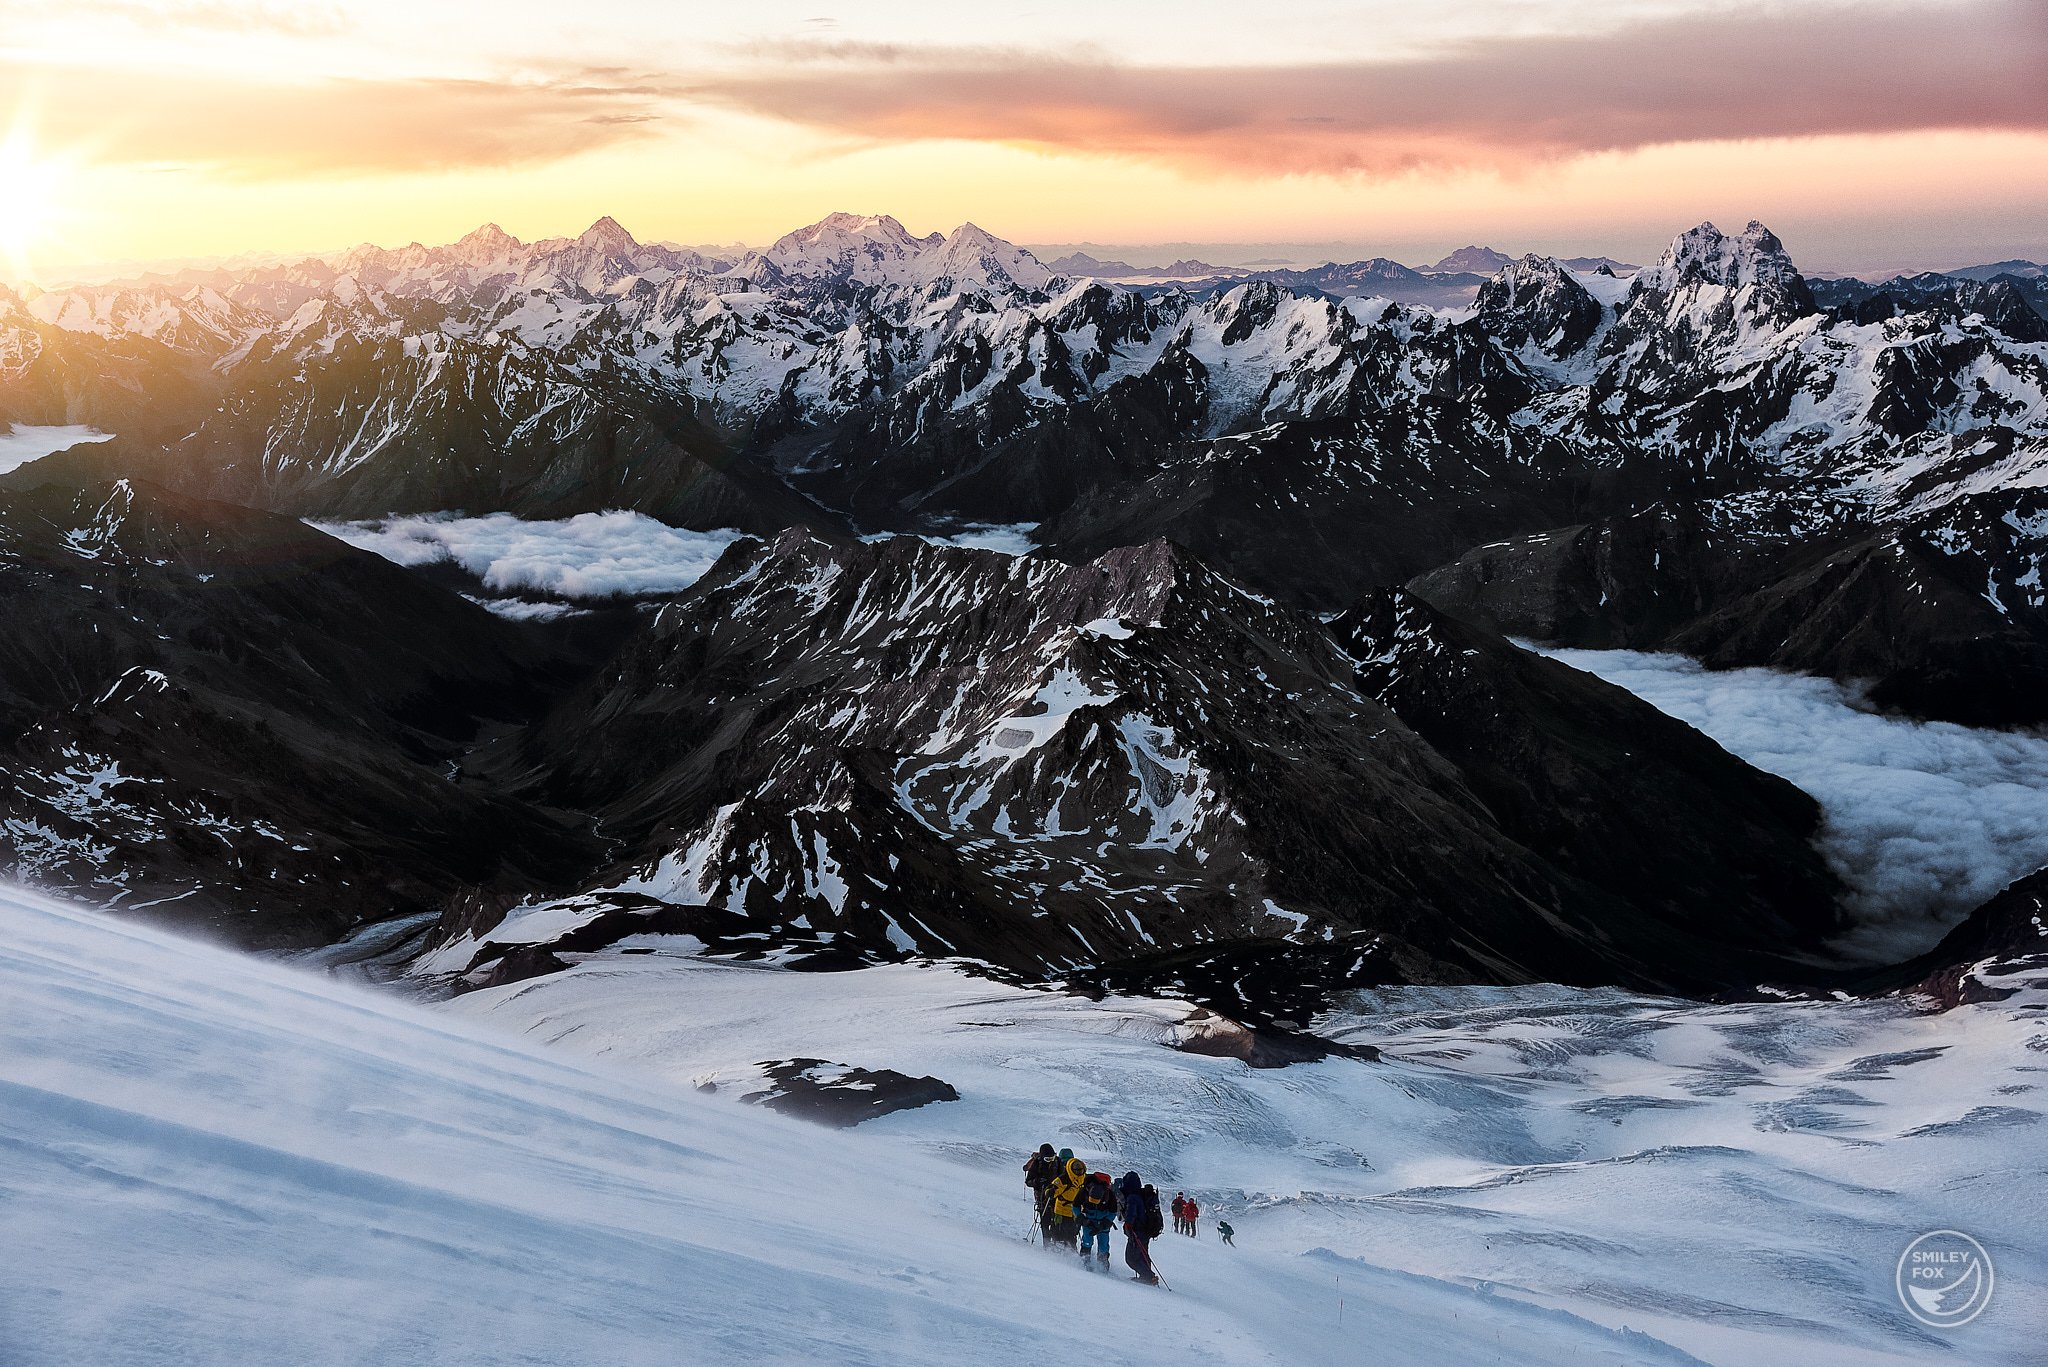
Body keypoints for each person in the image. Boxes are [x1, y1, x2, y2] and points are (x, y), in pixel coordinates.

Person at [1120, 1172, 1162, 1284]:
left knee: (1131, 1258)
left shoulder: (1132, 1197)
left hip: (1137, 1231)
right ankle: (1147, 1276)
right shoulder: (1143, 1195)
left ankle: (1148, 1276)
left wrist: (1128, 1226)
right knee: (1143, 1254)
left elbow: (1131, 1214)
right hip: (1147, 1230)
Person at [1074, 1170, 1119, 1272]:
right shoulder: (1083, 1191)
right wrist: (1081, 1218)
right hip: (1088, 1221)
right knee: (1087, 1242)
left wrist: (1104, 1224)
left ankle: (1103, 1267)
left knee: (1103, 1245)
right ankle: (1084, 1264)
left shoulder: (1110, 1196)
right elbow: (1075, 1206)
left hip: (1102, 1223)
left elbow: (1113, 1212)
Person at [1046, 1148, 1089, 1251]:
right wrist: (1050, 1192)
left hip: (1074, 1211)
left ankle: (1069, 1252)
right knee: (1060, 1231)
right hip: (1062, 1211)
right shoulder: (1063, 1179)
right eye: (1077, 1170)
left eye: (1081, 1170)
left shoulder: (1083, 1179)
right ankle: (1063, 1251)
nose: (1079, 1172)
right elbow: (1051, 1190)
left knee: (1072, 1233)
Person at [1022, 1143, 1060, 1245]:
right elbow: (1028, 1181)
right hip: (1042, 1197)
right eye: (1047, 1159)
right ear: (1042, 1157)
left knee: (1056, 1221)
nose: (1050, 1160)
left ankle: (1055, 1242)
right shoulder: (1037, 1163)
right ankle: (1046, 1244)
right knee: (1045, 1221)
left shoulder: (1058, 1162)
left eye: (1052, 1158)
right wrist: (1038, 1181)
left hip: (1056, 1196)